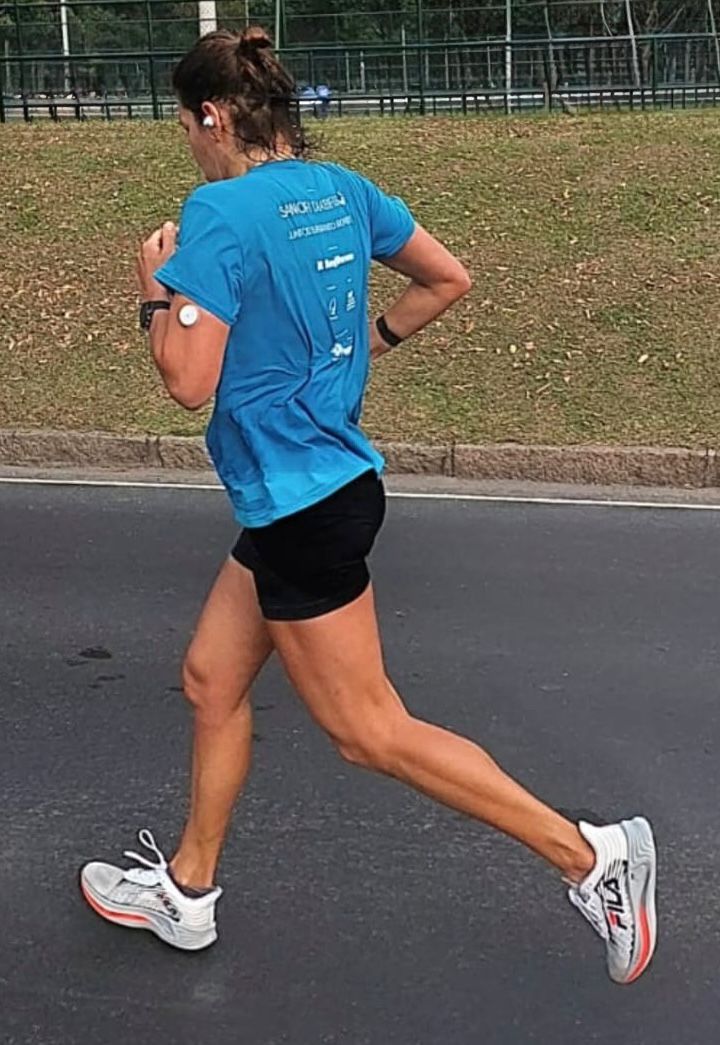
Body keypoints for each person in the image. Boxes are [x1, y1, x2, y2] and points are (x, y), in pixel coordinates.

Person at [79, 26, 657, 985]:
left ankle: (592, 858)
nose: (187, 140)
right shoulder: (342, 190)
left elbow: (187, 379)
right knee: (211, 679)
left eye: (186, 124)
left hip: (304, 507)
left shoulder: (217, 212)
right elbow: (448, 278)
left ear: (213, 117)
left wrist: (153, 295)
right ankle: (187, 890)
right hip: (311, 494)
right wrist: (367, 345)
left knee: (369, 729)